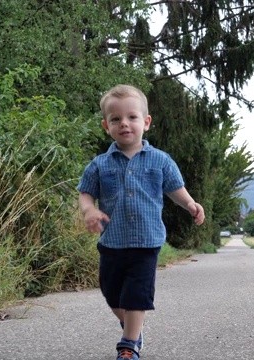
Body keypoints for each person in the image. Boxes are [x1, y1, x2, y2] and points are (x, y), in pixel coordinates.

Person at [77, 84, 205, 360]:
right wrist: (89, 211)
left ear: (145, 122)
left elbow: (175, 189)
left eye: (132, 117)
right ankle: (132, 327)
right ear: (106, 126)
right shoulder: (99, 165)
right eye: (116, 119)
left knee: (136, 294)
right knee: (112, 294)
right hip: (112, 242)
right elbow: (86, 193)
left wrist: (191, 204)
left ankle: (129, 345)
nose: (124, 123)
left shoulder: (161, 161)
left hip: (147, 243)